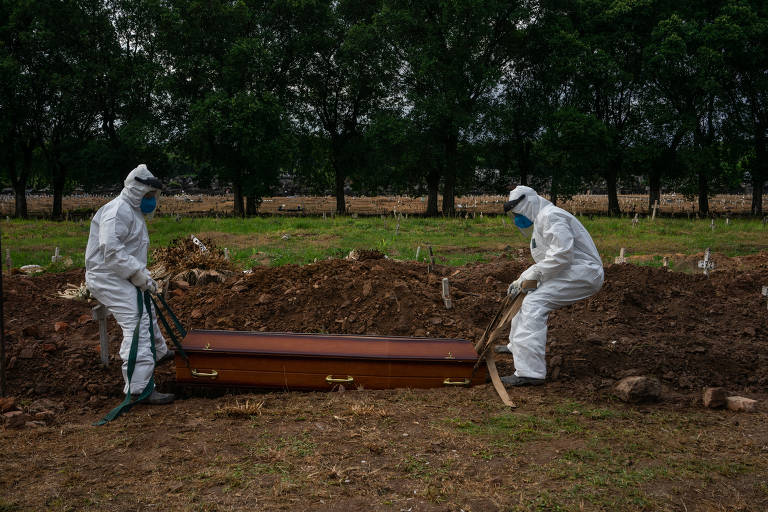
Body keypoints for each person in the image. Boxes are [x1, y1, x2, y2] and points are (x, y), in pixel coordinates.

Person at [85, 164, 175, 404]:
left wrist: (141, 276)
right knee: (137, 321)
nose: (151, 201)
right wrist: (137, 275)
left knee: (147, 311)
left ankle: (159, 352)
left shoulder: (132, 210)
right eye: (148, 196)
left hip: (121, 274)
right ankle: (138, 388)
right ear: (137, 191)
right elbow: (111, 252)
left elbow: (130, 250)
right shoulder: (117, 212)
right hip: (106, 276)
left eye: (153, 196)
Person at [500, 185, 604, 386]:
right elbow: (546, 260)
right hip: (570, 271)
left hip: (583, 273)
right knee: (522, 300)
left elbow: (561, 255)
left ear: (528, 204)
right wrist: (521, 279)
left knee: (533, 303)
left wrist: (531, 276)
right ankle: (517, 346)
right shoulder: (542, 220)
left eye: (517, 212)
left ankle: (530, 372)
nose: (517, 218)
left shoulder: (551, 216)